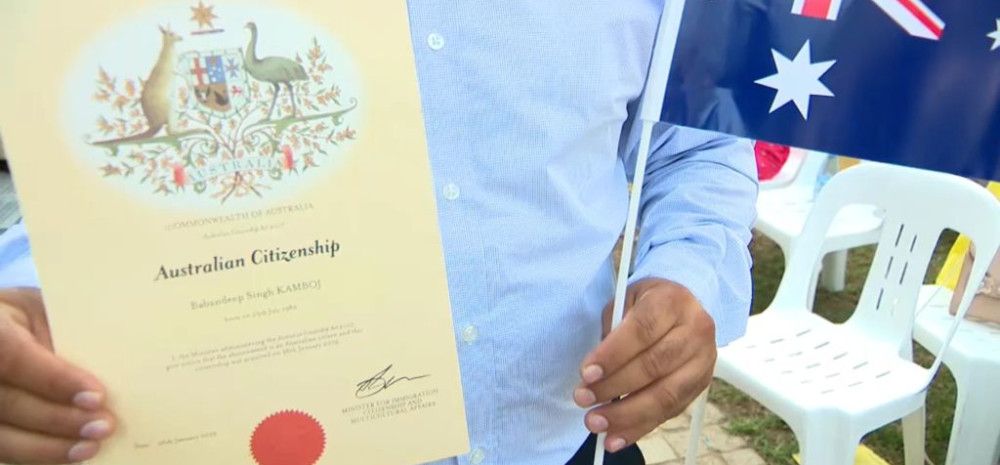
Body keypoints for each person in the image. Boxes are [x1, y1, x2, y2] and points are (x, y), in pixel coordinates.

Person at [0, 3, 758, 465]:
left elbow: (694, 138)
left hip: (564, 436)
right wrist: (38, 289)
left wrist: (688, 272)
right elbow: (114, 148)